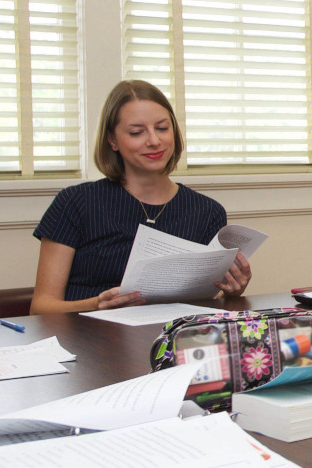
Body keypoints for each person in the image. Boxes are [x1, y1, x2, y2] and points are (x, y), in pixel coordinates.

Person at [32, 80, 251, 314]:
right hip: (87, 337)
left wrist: (230, 291)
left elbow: (202, 304)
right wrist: (96, 305)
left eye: (162, 128)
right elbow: (41, 308)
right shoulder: (76, 202)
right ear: (112, 141)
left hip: (167, 340)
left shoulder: (207, 211)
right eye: (137, 132)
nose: (154, 141)